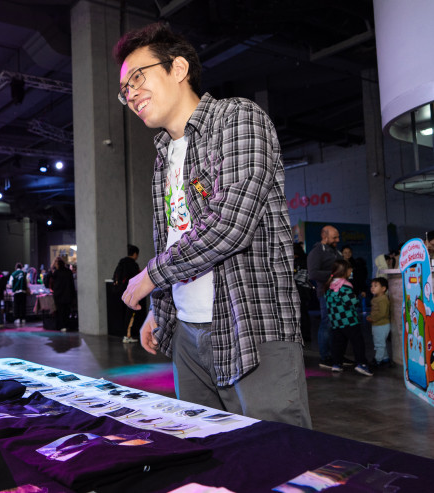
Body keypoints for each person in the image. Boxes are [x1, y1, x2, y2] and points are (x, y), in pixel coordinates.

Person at [114, 23, 310, 427]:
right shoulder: (164, 155)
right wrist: (161, 309)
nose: (130, 93)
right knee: (207, 450)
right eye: (124, 89)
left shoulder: (237, 118)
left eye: (138, 77)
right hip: (187, 334)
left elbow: (230, 225)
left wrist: (150, 277)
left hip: (250, 326)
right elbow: (175, 237)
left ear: (178, 68)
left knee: (273, 453)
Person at [325, 259, 373, 376]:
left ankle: (336, 364)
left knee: (338, 343)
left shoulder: (329, 286)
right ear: (345, 271)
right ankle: (361, 364)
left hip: (336, 321)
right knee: (357, 342)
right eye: (350, 269)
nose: (351, 271)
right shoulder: (344, 287)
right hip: (349, 321)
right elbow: (352, 302)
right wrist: (356, 298)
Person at [307, 225, 343, 369]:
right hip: (326, 293)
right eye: (335, 237)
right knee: (327, 323)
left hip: (339, 292)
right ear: (324, 236)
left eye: (338, 237)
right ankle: (325, 357)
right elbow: (313, 274)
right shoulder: (316, 252)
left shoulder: (335, 251)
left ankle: (336, 355)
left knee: (338, 325)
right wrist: (335, 275)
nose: (337, 240)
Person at [113, 244, 142, 343]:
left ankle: (124, 335)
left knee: (123, 314)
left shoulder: (121, 263)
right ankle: (127, 335)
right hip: (130, 293)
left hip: (120, 293)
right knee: (130, 314)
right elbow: (137, 278)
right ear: (135, 254)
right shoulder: (133, 265)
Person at [367, 277, 392, 368]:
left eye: (375, 286)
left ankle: (377, 360)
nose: (372, 288)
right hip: (377, 324)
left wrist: (372, 318)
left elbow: (382, 313)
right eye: (371, 286)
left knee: (379, 344)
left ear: (383, 288)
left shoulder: (382, 299)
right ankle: (385, 359)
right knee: (380, 342)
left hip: (381, 325)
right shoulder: (377, 298)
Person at [293, 242, 315, 343]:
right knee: (303, 314)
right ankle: (305, 335)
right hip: (303, 292)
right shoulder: (305, 260)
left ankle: (304, 335)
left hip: (301, 291)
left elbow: (301, 278)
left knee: (301, 314)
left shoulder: (302, 262)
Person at [50, 257, 76, 331]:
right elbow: (72, 284)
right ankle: (67, 325)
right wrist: (73, 295)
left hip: (59, 295)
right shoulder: (69, 272)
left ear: (57, 264)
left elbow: (49, 278)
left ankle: (62, 326)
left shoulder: (56, 272)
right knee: (67, 311)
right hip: (68, 295)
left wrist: (52, 267)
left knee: (60, 311)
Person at [341, 245, 368, 311]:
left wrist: (363, 290)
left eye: (349, 252)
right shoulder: (339, 264)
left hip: (353, 289)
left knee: (352, 307)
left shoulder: (356, 264)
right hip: (341, 289)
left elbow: (360, 278)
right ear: (342, 253)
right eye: (345, 252)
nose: (347, 254)